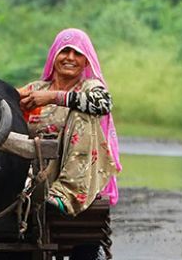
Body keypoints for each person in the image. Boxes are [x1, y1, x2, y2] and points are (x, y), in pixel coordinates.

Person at [18, 28, 121, 215]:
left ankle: (65, 194)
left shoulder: (91, 87)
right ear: (54, 56)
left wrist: (53, 97)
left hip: (78, 176)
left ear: (85, 61)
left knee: (82, 112)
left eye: (78, 53)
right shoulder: (35, 90)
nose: (70, 58)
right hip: (34, 172)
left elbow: (104, 103)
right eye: (65, 51)